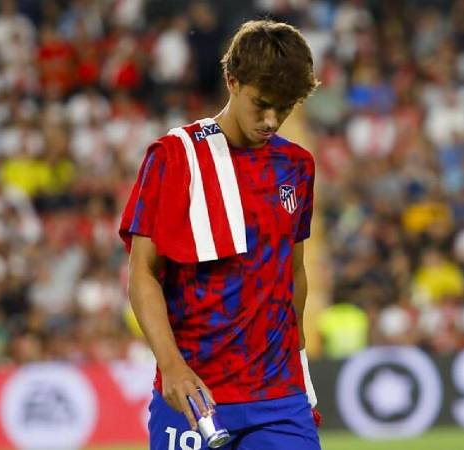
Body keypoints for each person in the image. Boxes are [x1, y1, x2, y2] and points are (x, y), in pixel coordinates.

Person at [119, 19, 321, 450]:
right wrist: (170, 366)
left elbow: (294, 270)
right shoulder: (174, 157)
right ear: (231, 80)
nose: (271, 120)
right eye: (262, 104)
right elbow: (142, 274)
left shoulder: (298, 166)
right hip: (195, 395)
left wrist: (299, 361)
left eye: (284, 108)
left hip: (278, 398)